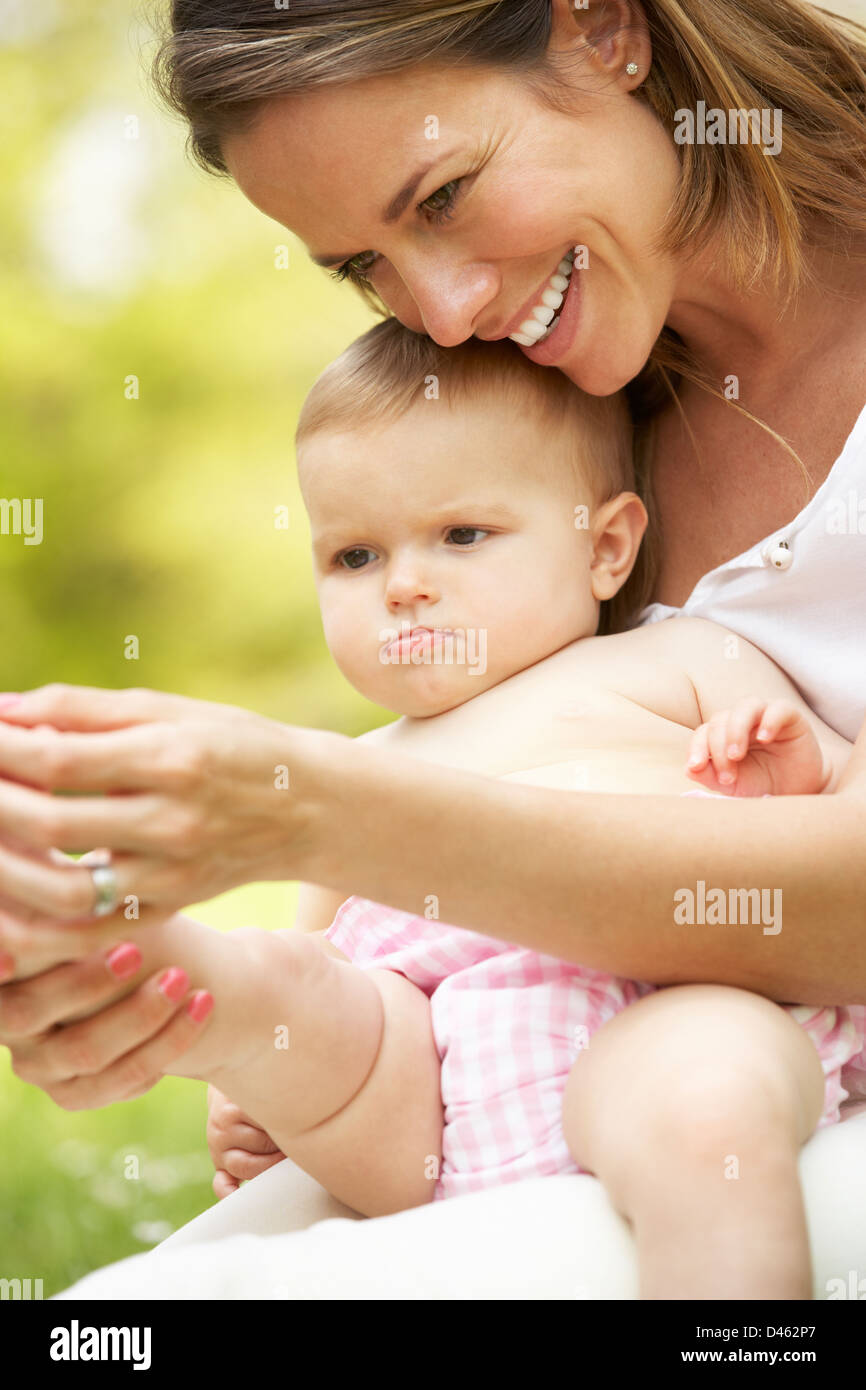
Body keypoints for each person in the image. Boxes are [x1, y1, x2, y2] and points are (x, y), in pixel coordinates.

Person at [0, 0, 865, 1295]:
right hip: (480, 1093)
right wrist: (259, 1045)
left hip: (728, 1076)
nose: (445, 312)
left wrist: (306, 805)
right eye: (363, 265)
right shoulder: (550, 424)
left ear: (602, 30)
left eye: (446, 195)